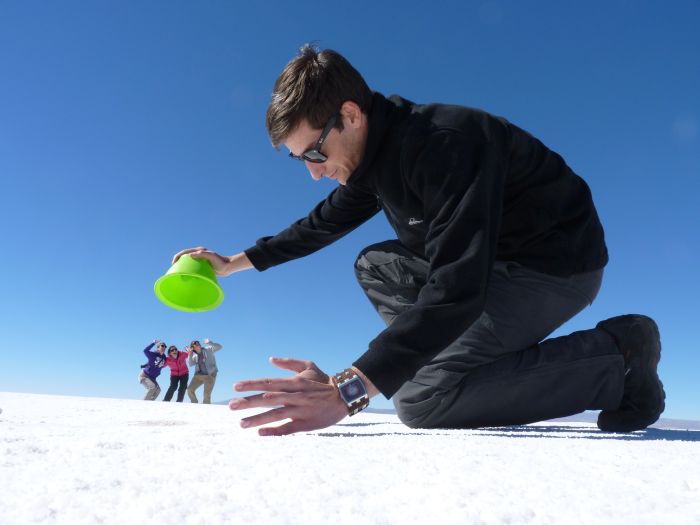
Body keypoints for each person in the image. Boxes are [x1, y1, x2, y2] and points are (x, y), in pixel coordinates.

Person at [172, 45, 665, 436]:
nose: (315, 173)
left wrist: (351, 388)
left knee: (421, 399)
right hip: (492, 266)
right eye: (300, 159)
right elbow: (320, 224)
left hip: (554, 268)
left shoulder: (445, 146)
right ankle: (439, 363)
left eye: (315, 153)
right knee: (376, 264)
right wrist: (230, 263)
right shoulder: (371, 160)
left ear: (350, 114)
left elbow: (457, 286)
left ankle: (618, 357)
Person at [186, 339, 223, 404]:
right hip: (198, 376)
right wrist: (190, 354)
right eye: (195, 344)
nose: (197, 344)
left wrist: (209, 342)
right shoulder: (195, 356)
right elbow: (191, 364)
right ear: (193, 347)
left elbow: (220, 347)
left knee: (206, 395)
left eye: (198, 343)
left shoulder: (208, 349)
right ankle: (194, 404)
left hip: (210, 376)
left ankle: (206, 410)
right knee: (189, 390)